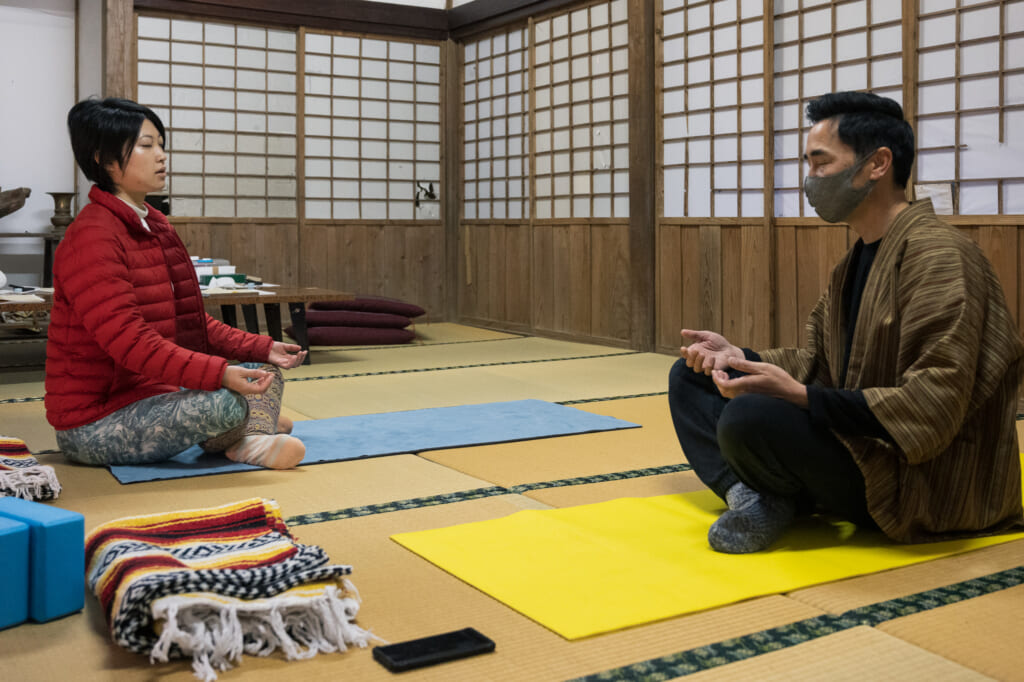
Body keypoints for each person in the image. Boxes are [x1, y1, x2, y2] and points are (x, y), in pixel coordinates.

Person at [669, 91, 1024, 553]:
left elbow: (934, 406)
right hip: (861, 440)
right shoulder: (854, 261)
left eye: (821, 163)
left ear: (877, 164)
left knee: (749, 416)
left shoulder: (941, 257)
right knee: (693, 378)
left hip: (921, 479)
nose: (810, 178)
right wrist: (739, 357)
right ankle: (755, 496)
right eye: (808, 164)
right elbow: (819, 363)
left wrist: (798, 396)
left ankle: (777, 493)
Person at [45, 97, 307, 470]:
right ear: (104, 159)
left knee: (262, 372)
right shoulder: (92, 236)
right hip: (94, 422)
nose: (161, 156)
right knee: (228, 400)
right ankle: (247, 430)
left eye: (161, 144)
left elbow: (189, 324)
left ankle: (245, 434)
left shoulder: (154, 226)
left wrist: (263, 347)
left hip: (152, 395)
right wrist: (220, 374)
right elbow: (131, 342)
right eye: (146, 145)